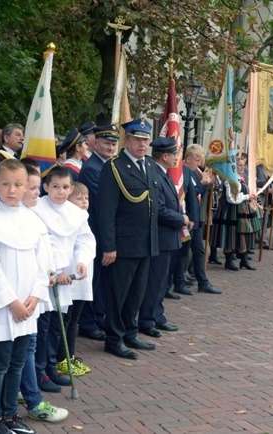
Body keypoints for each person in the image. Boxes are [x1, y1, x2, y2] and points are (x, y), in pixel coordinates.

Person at [0, 159, 50, 434]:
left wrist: (35, 297)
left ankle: (9, 415)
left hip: (27, 306)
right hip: (3, 308)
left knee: (18, 363)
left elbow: (43, 262)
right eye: (4, 183)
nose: (11, 189)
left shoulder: (32, 220)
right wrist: (13, 303)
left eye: (18, 184)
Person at [97, 118, 159, 360]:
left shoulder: (150, 166)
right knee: (118, 294)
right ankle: (114, 338)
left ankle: (130, 332)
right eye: (137, 140)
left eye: (145, 140)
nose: (142, 145)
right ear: (127, 141)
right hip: (123, 245)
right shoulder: (114, 167)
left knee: (136, 293)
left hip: (145, 243)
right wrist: (109, 246)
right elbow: (106, 210)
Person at [33, 166, 95, 389]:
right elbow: (45, 242)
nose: (60, 192)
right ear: (46, 187)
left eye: (65, 187)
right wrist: (56, 269)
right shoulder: (37, 209)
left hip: (66, 279)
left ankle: (51, 368)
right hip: (47, 275)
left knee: (58, 326)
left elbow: (85, 240)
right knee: (44, 326)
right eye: (56, 186)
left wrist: (81, 259)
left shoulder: (76, 213)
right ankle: (39, 372)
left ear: (71, 189)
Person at [17, 164, 70, 424]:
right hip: (21, 298)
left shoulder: (33, 216)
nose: (38, 193)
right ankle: (32, 399)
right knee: (6, 351)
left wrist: (51, 270)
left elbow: (45, 250)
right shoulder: (12, 217)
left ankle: (28, 396)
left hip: (35, 295)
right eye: (33, 187)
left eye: (38, 187)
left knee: (28, 347)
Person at [138, 137, 189, 338]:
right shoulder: (155, 177)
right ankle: (147, 319)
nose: (177, 157)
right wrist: (180, 219)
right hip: (160, 236)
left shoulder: (164, 174)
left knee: (161, 282)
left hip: (169, 238)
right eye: (175, 154)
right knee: (154, 282)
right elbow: (158, 209)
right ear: (165, 156)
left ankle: (157, 316)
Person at [77, 124, 119, 342]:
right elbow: (104, 201)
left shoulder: (109, 165)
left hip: (104, 232)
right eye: (106, 143)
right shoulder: (93, 168)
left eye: (113, 144)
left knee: (101, 281)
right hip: (95, 230)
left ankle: (98, 317)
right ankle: (88, 322)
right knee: (93, 280)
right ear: (95, 143)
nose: (110, 147)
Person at [57, 181, 94, 376]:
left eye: (86, 198)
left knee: (74, 319)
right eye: (78, 198)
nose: (83, 202)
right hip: (68, 278)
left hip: (81, 279)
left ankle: (69, 355)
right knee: (67, 319)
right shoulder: (66, 220)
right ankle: (63, 357)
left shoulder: (82, 218)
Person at [182, 145, 221, 294]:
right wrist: (203, 184)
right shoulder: (185, 173)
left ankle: (202, 282)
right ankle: (178, 280)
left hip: (195, 219)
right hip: (187, 218)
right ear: (189, 158)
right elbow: (191, 194)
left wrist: (205, 183)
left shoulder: (193, 172)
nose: (199, 163)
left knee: (199, 250)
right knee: (183, 252)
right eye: (197, 160)